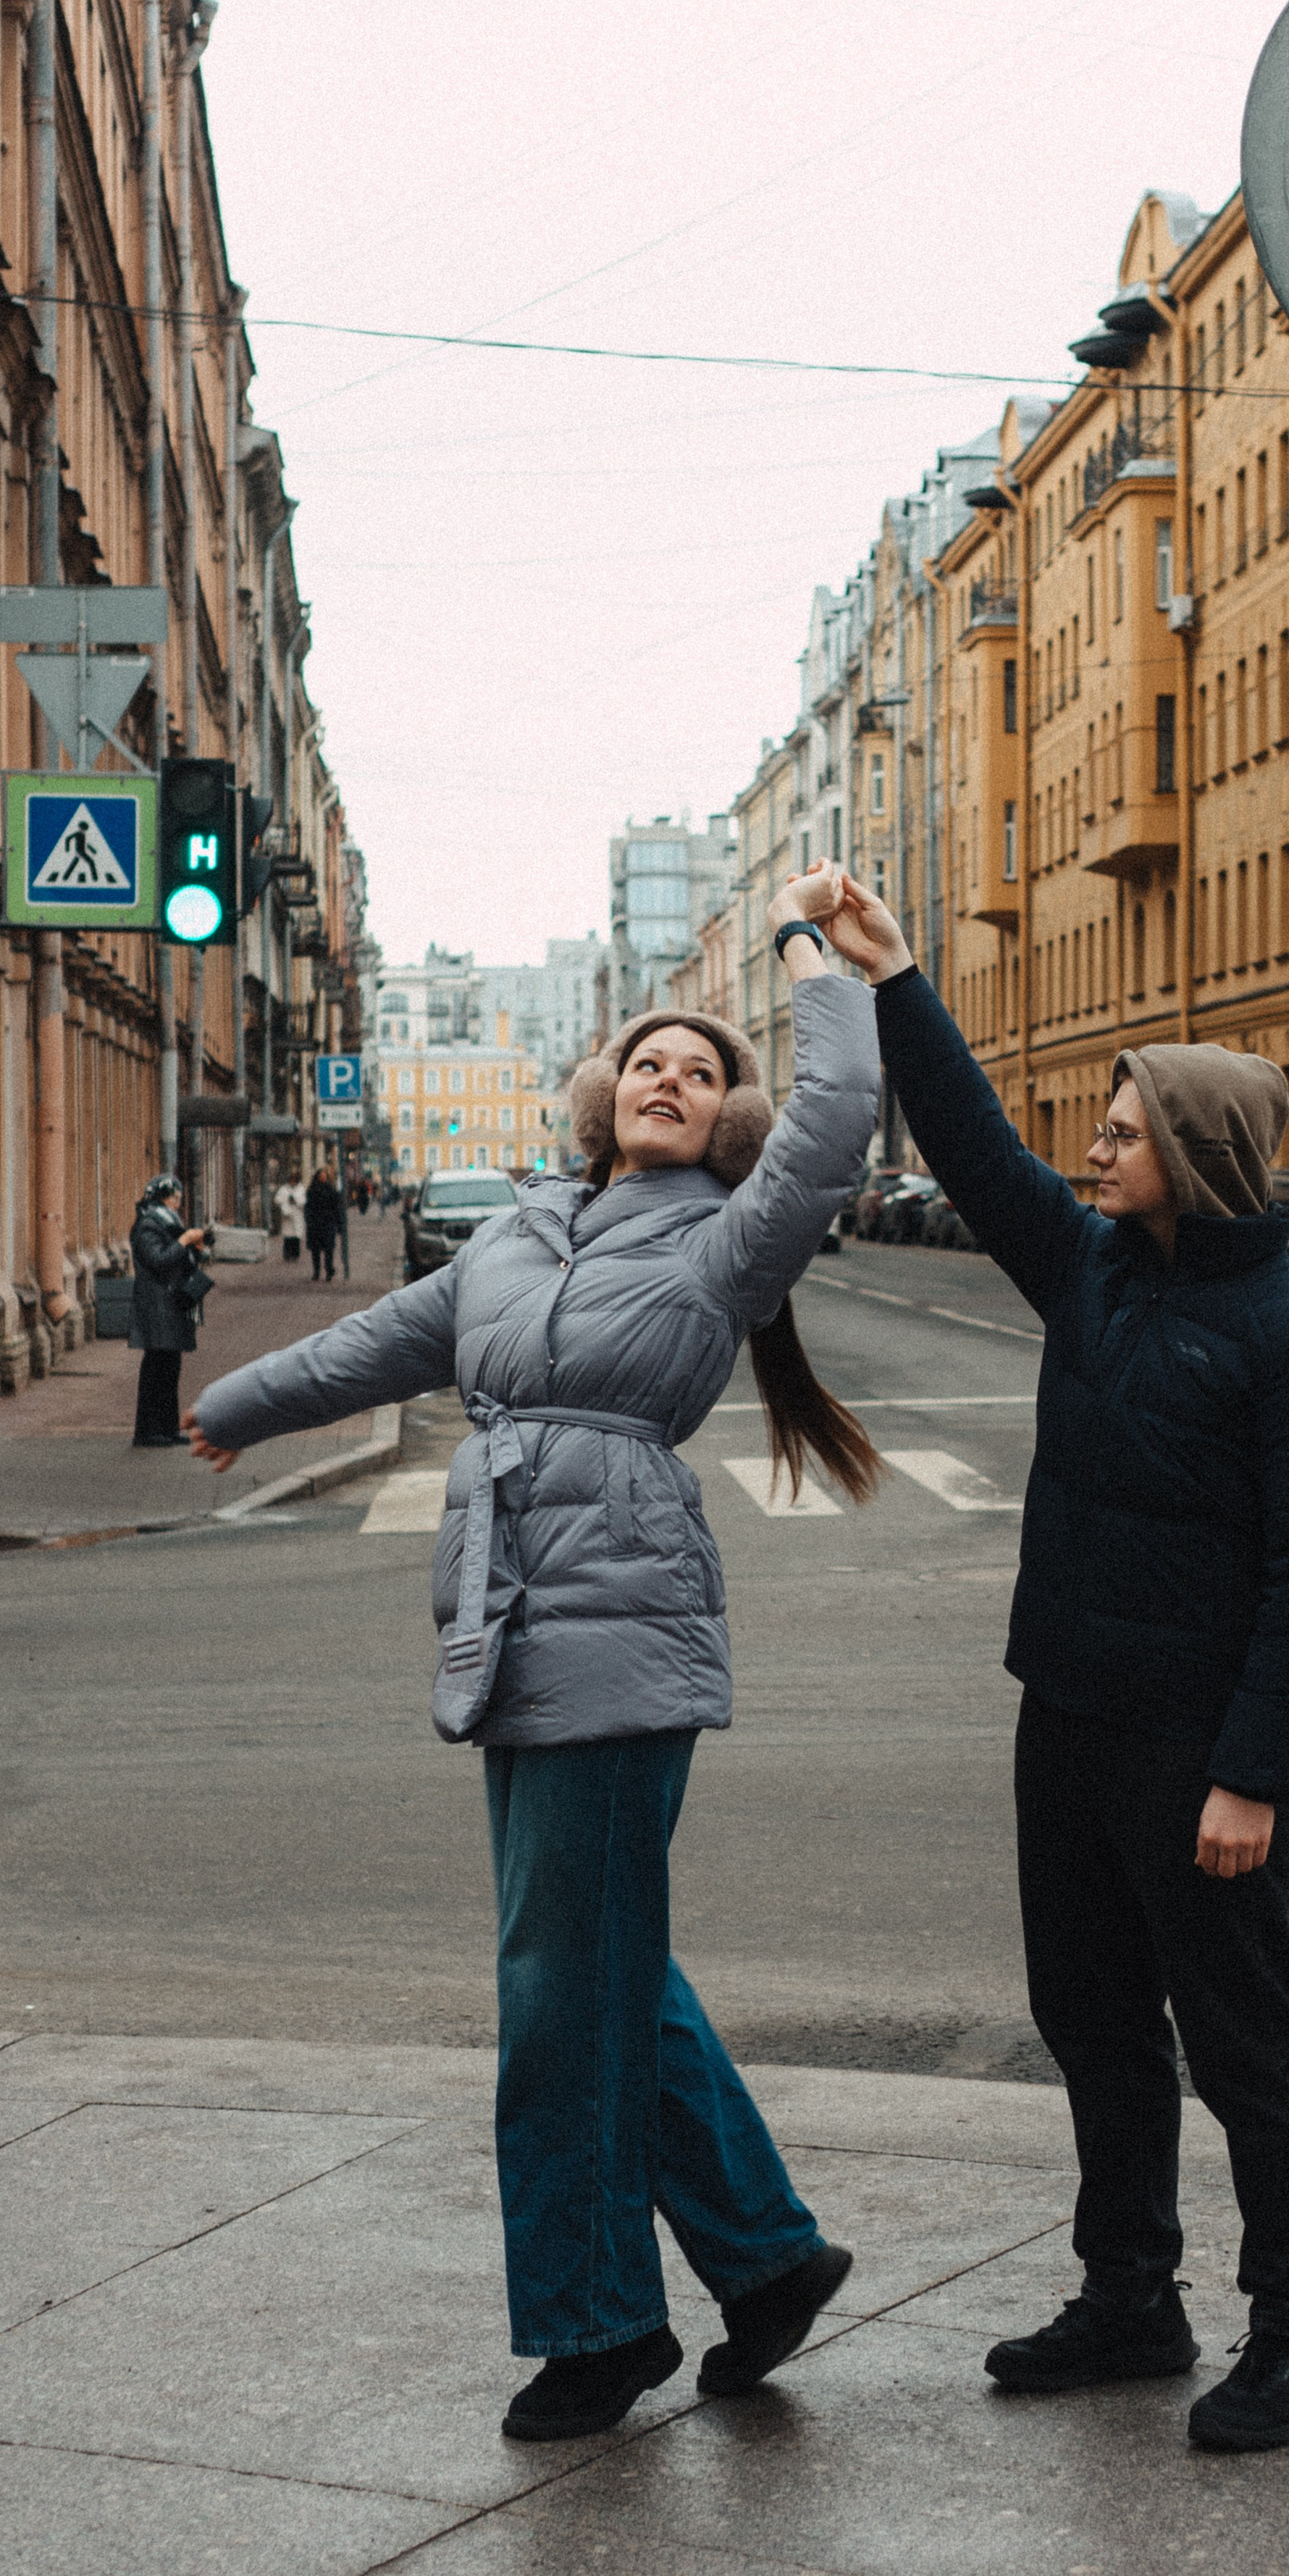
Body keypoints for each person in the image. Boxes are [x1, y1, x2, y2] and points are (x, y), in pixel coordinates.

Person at [186, 866, 882, 2444]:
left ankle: (596, 2325)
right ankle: (766, 2259)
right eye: (650, 1057)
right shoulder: (520, 1230)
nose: (670, 1077)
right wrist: (237, 1403)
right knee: (596, 1967)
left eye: (703, 1073)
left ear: (721, 1125)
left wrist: (812, 958)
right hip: (505, 1619)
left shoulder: (726, 1242)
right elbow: (381, 1345)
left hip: (623, 1621)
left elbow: (835, 1117)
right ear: (602, 1090)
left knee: (561, 1988)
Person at [820, 874, 1289, 2456]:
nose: (1093, 1149)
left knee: (1248, 2049)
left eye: (1122, 1132)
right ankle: (1131, 2297)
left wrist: (1252, 1776)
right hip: (1061, 1717)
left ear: (1190, 1158)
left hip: (1195, 1749)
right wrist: (896, 980)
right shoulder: (1094, 1278)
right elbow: (977, 1151)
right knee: (1091, 2020)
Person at [127, 1174, 210, 1447]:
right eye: (174, 1197)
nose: (178, 1202)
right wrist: (185, 1240)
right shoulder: (148, 1225)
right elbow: (159, 1260)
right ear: (161, 1198)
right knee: (155, 1368)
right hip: (156, 1304)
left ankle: (168, 1427)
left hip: (171, 1303)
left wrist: (196, 1248)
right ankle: (148, 1432)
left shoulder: (169, 1223)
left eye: (179, 1198)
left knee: (170, 1367)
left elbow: (181, 1261)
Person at [303, 1164, 343, 1283]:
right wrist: (309, 1220)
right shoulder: (312, 1191)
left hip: (328, 1223)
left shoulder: (331, 1191)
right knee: (315, 1250)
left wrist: (339, 1224)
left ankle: (329, 1270)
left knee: (329, 1249)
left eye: (325, 1176)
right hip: (315, 1224)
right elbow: (308, 1208)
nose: (323, 1178)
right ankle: (316, 1271)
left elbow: (337, 1209)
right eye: (321, 1176)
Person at [273, 1175, 305, 1262]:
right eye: (291, 1181)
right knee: (288, 1236)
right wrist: (285, 1201)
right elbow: (277, 1199)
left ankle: (295, 1255)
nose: (293, 1183)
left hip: (297, 1214)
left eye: (294, 1181)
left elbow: (304, 1201)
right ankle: (287, 1254)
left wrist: (296, 1201)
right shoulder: (284, 1189)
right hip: (287, 1215)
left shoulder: (301, 1189)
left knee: (296, 1236)